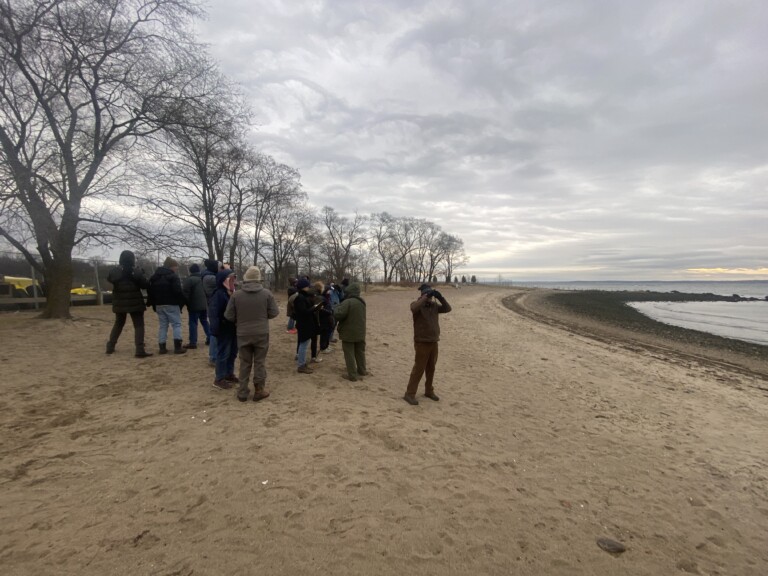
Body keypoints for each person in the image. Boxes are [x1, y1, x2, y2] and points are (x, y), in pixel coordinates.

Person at [224, 266, 279, 402]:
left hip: (242, 333)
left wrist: (240, 319)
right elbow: (274, 313)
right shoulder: (266, 294)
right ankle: (259, 390)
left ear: (246, 279)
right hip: (261, 332)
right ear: (259, 279)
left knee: (244, 362)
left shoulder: (236, 295)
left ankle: (242, 391)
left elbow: (228, 315)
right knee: (260, 362)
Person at [403, 284, 452, 405]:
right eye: (427, 294)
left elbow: (447, 308)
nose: (430, 297)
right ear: (423, 294)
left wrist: (440, 297)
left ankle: (429, 391)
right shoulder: (417, 305)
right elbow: (414, 308)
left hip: (434, 341)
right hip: (421, 342)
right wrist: (425, 297)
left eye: (430, 294)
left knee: (431, 368)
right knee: (419, 368)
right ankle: (409, 394)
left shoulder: (434, 306)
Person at [105, 250, 152, 358]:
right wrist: (142, 274)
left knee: (118, 324)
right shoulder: (136, 272)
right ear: (132, 259)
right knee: (139, 325)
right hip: (135, 301)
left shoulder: (114, 271)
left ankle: (110, 346)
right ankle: (139, 349)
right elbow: (144, 285)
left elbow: (110, 279)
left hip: (119, 300)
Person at [147, 257, 187, 355]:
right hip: (172, 303)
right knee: (176, 324)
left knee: (163, 325)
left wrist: (153, 303)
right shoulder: (173, 277)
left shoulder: (154, 277)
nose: (176, 269)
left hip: (159, 304)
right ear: (171, 267)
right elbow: (178, 291)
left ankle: (162, 347)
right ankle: (177, 346)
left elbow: (150, 291)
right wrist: (183, 300)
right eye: (175, 267)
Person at [208, 269, 238, 389]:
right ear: (224, 280)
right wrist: (216, 330)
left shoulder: (232, 292)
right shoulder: (219, 294)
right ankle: (219, 378)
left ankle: (228, 373)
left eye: (233, 278)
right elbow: (214, 314)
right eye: (230, 279)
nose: (233, 281)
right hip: (224, 328)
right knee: (223, 353)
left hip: (233, 328)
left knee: (233, 352)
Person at [333, 282, 367, 381]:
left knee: (349, 354)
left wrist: (336, 308)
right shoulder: (362, 302)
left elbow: (338, 315)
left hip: (349, 333)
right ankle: (362, 370)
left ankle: (352, 375)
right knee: (360, 352)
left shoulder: (348, 302)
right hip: (360, 332)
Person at [293, 278, 320, 374]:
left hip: (305, 323)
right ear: (303, 287)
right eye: (307, 286)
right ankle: (301, 365)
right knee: (303, 345)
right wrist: (314, 308)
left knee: (304, 344)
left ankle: (302, 364)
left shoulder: (302, 297)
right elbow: (303, 312)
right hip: (304, 324)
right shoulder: (300, 298)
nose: (309, 287)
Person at [182, 263, 209, 349]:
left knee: (193, 323)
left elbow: (185, 293)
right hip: (204, 304)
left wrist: (186, 304)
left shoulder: (189, 280)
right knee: (204, 321)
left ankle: (193, 342)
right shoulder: (203, 279)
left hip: (194, 305)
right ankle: (210, 338)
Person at [201, 259, 219, 366]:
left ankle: (215, 356)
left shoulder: (209, 276)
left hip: (214, 305)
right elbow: (227, 281)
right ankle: (213, 357)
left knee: (216, 332)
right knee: (215, 332)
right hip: (214, 307)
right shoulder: (210, 278)